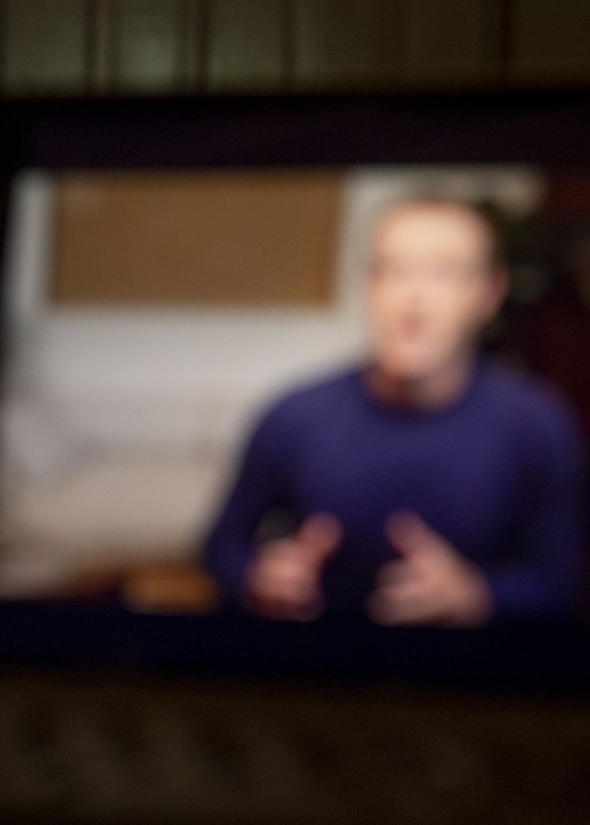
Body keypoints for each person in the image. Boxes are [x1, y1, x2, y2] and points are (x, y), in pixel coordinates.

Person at [203, 198, 583, 626]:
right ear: (367, 286)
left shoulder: (536, 426)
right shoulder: (294, 415)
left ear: (488, 293)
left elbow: (563, 580)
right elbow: (221, 548)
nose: (414, 299)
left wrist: (479, 595)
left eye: (442, 273)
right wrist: (262, 579)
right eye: (395, 270)